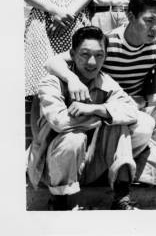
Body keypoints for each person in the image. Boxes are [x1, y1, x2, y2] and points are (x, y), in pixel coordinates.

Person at [45, 0, 156, 146]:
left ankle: (149, 150)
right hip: (106, 110)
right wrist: (72, 79)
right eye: (149, 20)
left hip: (137, 107)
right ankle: (133, 150)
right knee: (143, 126)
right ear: (130, 16)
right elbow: (51, 62)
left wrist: (144, 101)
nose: (155, 28)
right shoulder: (108, 42)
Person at [28, 26, 143, 210]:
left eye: (99, 55)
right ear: (72, 54)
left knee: (118, 124)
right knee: (75, 138)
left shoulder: (105, 81)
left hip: (89, 165)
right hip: (52, 168)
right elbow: (60, 122)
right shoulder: (51, 82)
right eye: (85, 54)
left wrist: (94, 108)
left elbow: (132, 111)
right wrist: (101, 118)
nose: (92, 62)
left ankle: (122, 197)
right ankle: (59, 202)